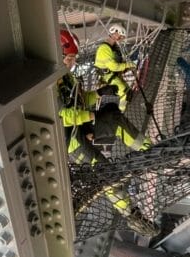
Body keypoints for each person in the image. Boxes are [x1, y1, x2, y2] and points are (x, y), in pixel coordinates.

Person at [57, 30, 158, 236]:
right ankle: (132, 215)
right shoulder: (49, 85)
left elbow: (80, 99)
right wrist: (91, 118)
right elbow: (62, 116)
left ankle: (149, 152)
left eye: (73, 59)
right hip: (71, 140)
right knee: (106, 173)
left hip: (82, 126)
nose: (72, 63)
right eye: (69, 59)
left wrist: (100, 93)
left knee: (113, 116)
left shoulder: (66, 77)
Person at [94, 24, 134, 111]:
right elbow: (114, 67)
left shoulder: (114, 48)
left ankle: (125, 109)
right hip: (107, 76)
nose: (121, 38)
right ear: (114, 33)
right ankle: (121, 112)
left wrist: (126, 67)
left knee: (129, 92)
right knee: (125, 93)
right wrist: (128, 65)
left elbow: (118, 64)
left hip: (113, 75)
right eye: (120, 36)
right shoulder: (104, 48)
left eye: (122, 37)